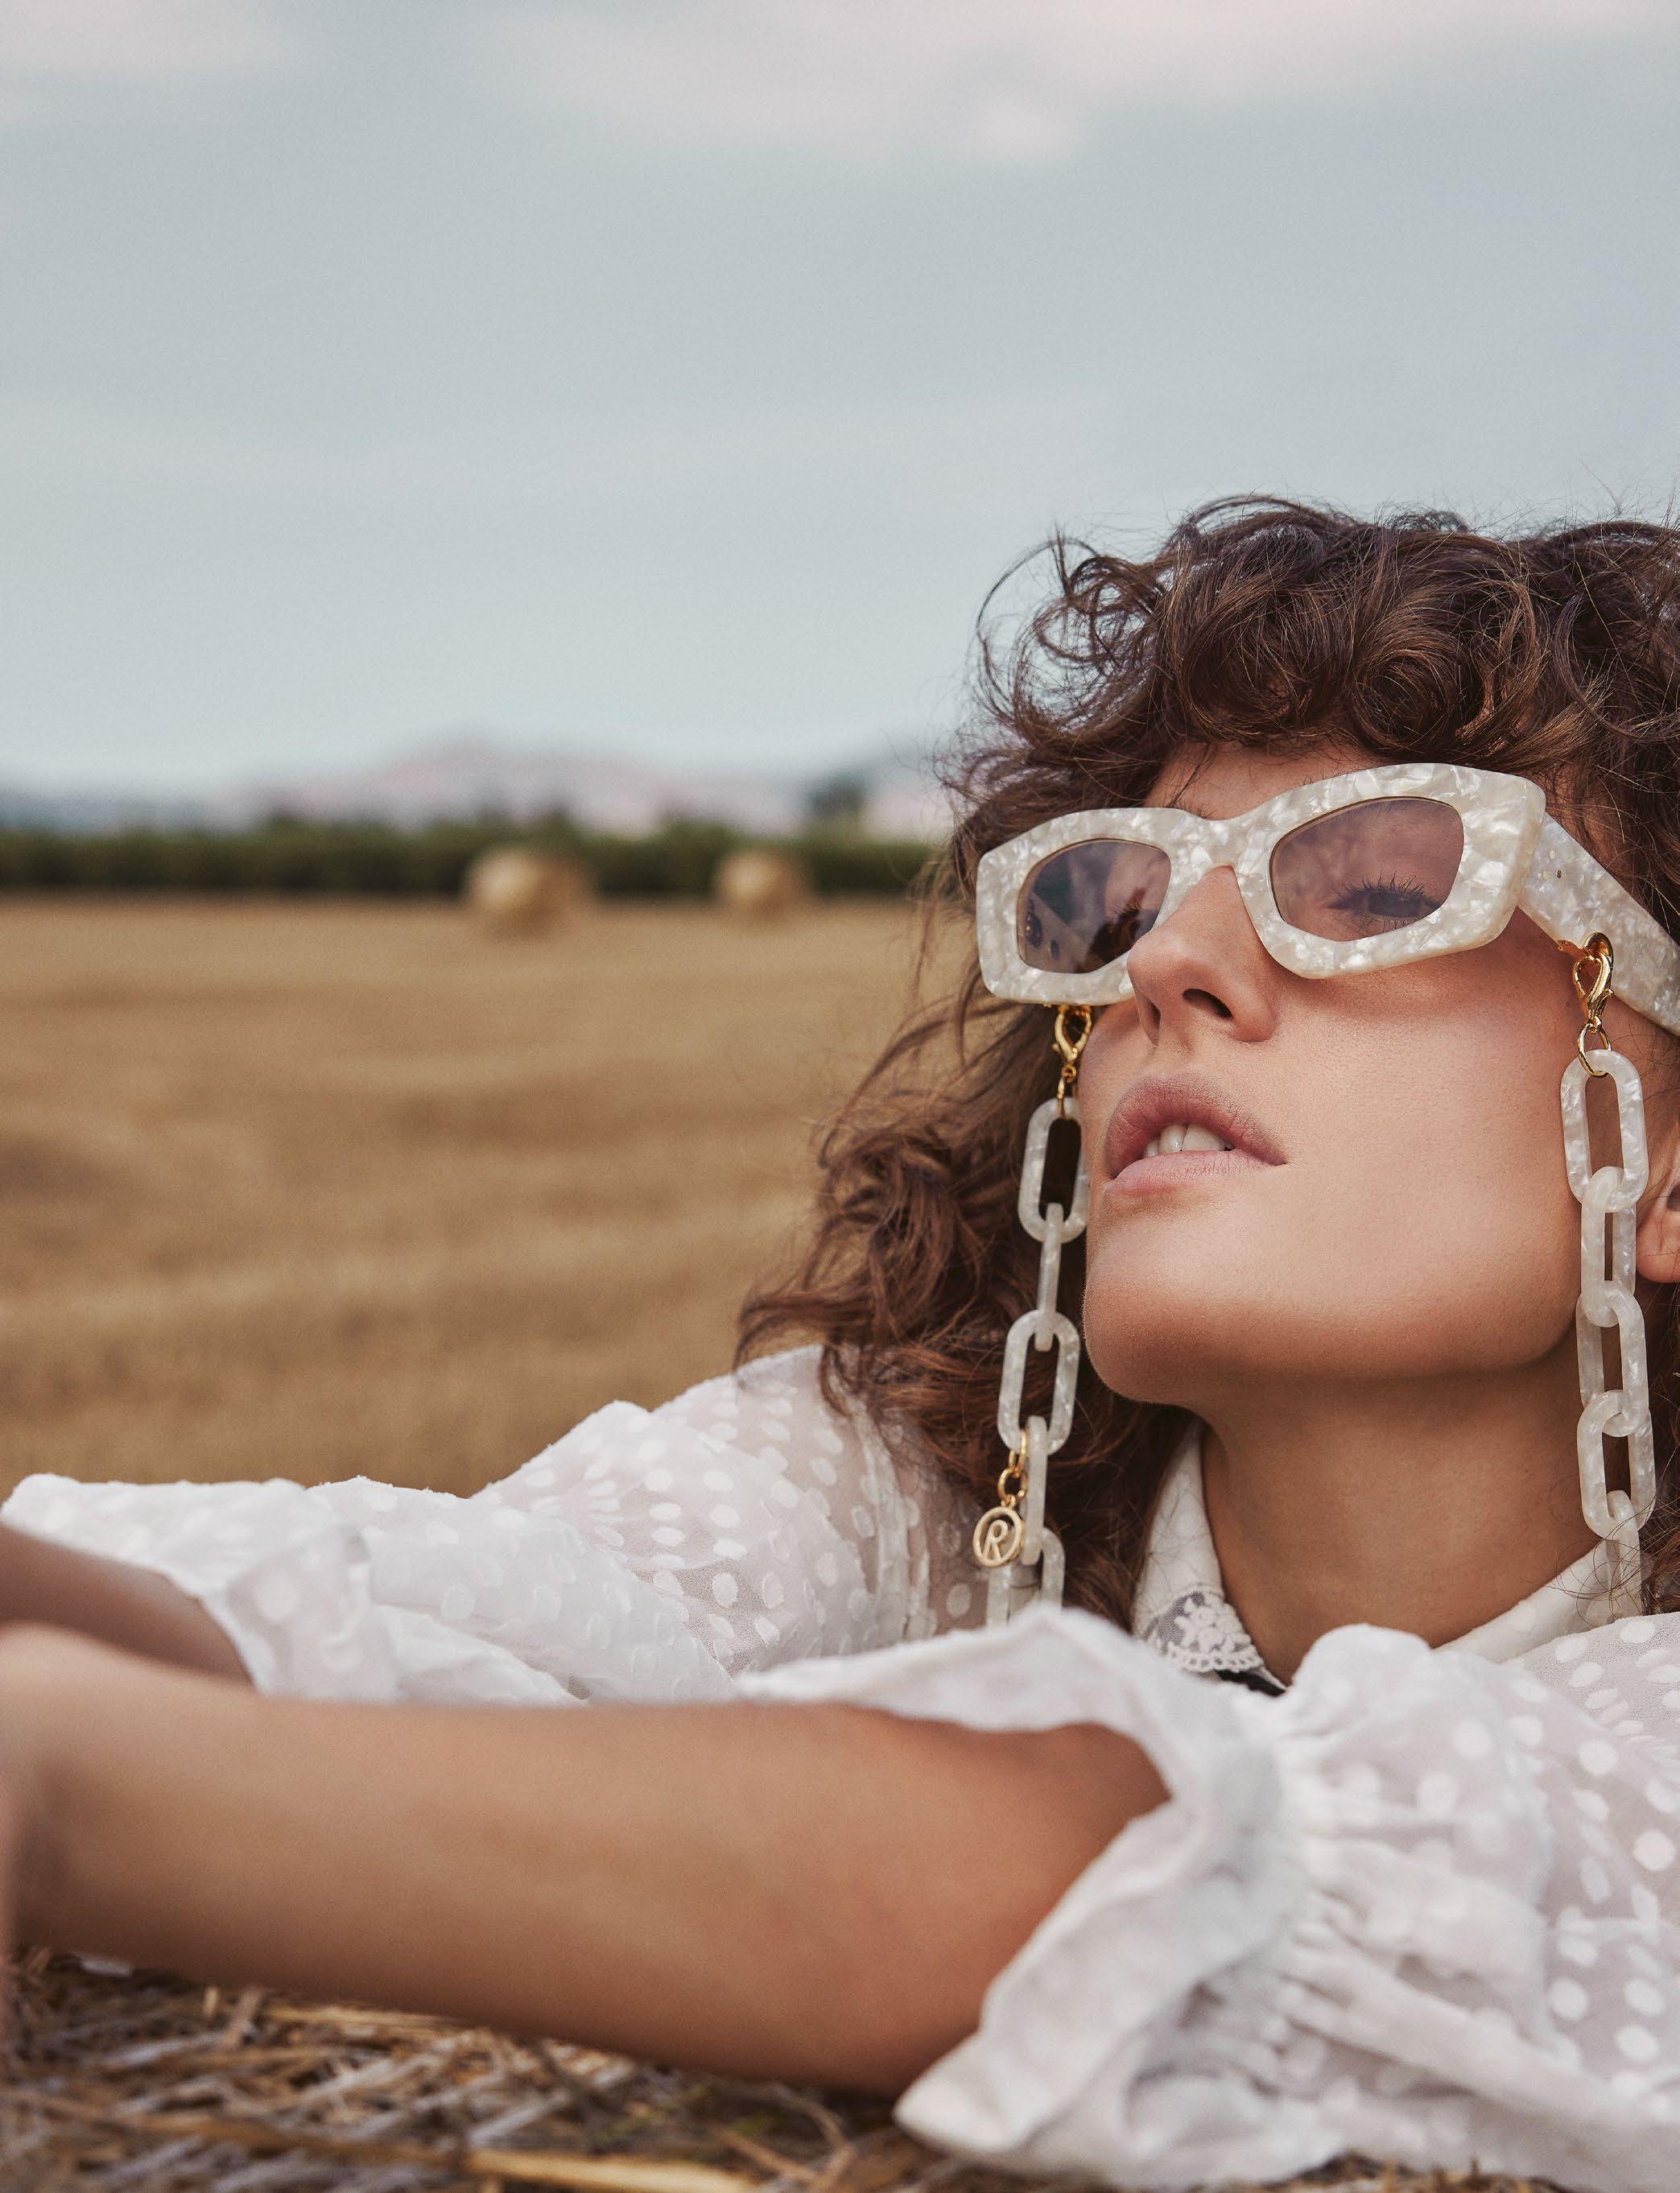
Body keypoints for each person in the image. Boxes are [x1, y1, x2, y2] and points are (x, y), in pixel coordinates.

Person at [2, 497, 1678, 2193]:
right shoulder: (917, 1472)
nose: (1167, 964)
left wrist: (64, 1787)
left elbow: (1139, 1879)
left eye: (1381, 881)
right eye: (1119, 902)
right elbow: (438, 1611)